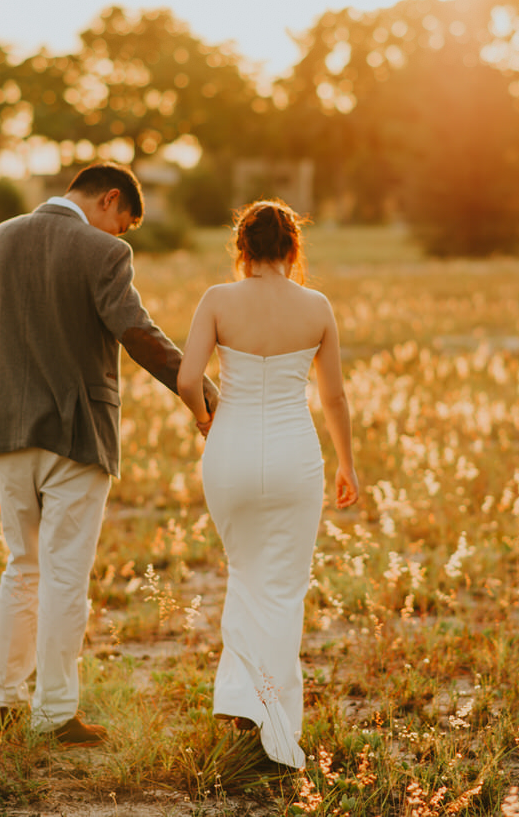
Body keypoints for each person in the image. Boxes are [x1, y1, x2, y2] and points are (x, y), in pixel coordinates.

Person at [0, 162, 216, 746]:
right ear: (110, 201)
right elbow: (138, 332)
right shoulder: (102, 253)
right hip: (76, 435)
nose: (118, 237)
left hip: (5, 430)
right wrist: (202, 393)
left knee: (22, 566)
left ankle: (3, 699)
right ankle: (54, 712)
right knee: (66, 574)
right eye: (122, 225)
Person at [177, 199, 359, 770]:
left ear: (243, 248)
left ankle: (242, 702)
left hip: (229, 453)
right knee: (281, 585)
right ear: (292, 248)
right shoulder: (317, 306)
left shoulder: (217, 299)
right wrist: (347, 463)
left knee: (245, 571)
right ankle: (270, 714)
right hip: (293, 455)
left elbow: (187, 380)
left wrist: (208, 422)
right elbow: (333, 397)